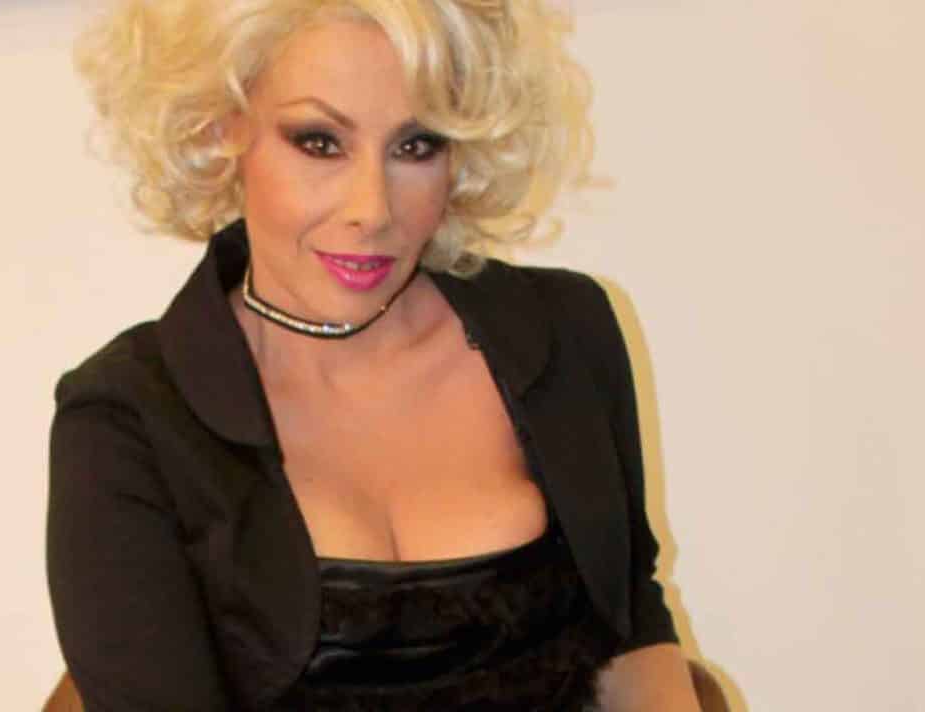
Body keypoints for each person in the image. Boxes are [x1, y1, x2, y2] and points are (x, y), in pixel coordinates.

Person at [47, 1, 703, 710]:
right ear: (221, 128)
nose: (373, 210)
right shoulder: (129, 416)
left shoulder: (565, 331)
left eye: (417, 146)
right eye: (319, 143)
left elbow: (631, 629)